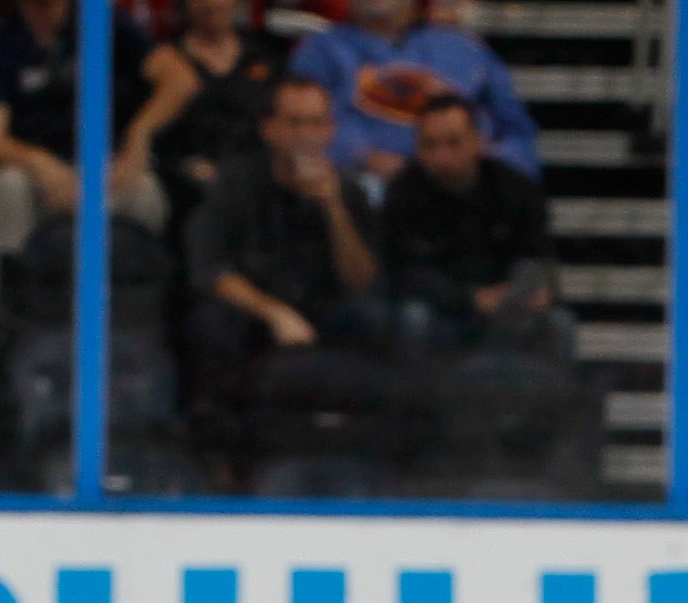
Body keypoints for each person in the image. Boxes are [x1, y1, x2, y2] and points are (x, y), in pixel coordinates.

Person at [182, 75, 383, 420]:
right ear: (269, 129)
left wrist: (333, 208)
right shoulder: (236, 182)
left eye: (316, 123)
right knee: (211, 322)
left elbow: (362, 280)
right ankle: (224, 446)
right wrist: (274, 312)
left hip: (323, 310)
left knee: (377, 319)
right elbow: (210, 269)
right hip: (254, 311)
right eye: (293, 123)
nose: (305, 134)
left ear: (330, 130)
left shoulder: (349, 193)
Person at [0, 0, 165, 286]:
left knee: (144, 191)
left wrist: (139, 134)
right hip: (31, 175)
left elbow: (179, 78)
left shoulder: (105, 24)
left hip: (103, 170)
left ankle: (136, 303)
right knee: (9, 186)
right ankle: (5, 303)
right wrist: (39, 162)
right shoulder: (0, 42)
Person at [378, 92, 562, 353]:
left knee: (557, 322)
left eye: (454, 143)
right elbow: (400, 273)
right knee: (412, 317)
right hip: (439, 308)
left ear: (477, 141)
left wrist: (525, 290)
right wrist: (470, 299)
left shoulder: (515, 190)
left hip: (506, 306)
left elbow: (538, 256)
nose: (442, 157)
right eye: (430, 145)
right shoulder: (403, 193)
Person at [289, 0, 540, 185]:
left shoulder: (464, 47)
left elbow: (517, 130)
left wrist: (489, 161)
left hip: (464, 187)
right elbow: (296, 129)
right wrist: (360, 156)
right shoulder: (319, 52)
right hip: (365, 186)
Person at [120, 0, 285, 230]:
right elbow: (151, 138)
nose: (211, 4)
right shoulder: (165, 62)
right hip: (184, 189)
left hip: (257, 181)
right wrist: (184, 167)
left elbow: (280, 128)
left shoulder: (267, 58)